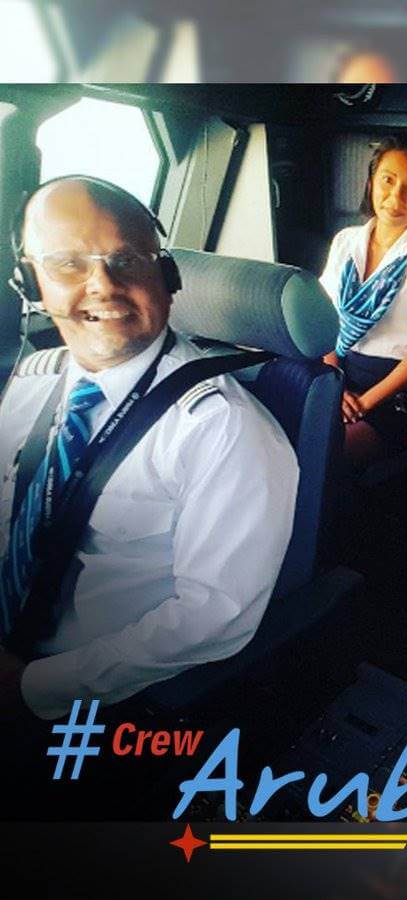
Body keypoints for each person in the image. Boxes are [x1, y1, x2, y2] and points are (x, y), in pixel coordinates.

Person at [0, 176, 298, 724]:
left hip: (80, 694)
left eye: (127, 261)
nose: (101, 286)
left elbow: (212, 617)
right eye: (67, 263)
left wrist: (30, 686)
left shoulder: (221, 427)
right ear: (31, 282)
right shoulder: (31, 379)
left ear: (165, 276)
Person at [319, 136, 407, 467]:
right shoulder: (346, 242)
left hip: (396, 390)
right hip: (339, 373)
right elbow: (323, 321)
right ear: (371, 182)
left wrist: (362, 403)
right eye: (388, 180)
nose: (396, 197)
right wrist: (333, 386)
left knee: (324, 452)